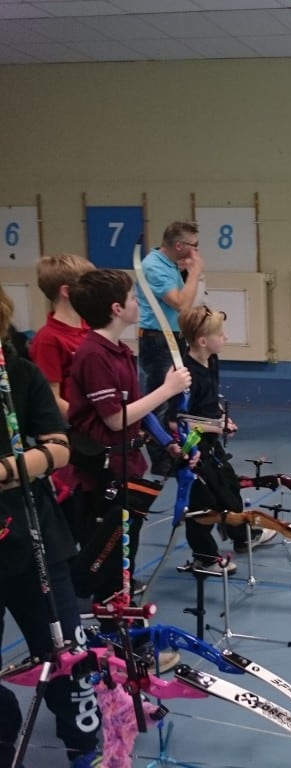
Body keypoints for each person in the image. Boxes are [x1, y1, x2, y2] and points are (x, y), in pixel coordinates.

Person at [0, 286, 103, 768]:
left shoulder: (19, 374)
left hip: (33, 535)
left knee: (66, 656)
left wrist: (8, 469)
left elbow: (60, 448)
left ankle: (84, 748)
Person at [65, 270, 191, 611]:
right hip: (103, 475)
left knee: (126, 552)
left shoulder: (119, 351)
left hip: (129, 467)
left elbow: (137, 410)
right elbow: (115, 418)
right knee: (107, 558)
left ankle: (123, 619)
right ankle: (112, 626)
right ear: (117, 309)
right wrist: (167, 390)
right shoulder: (93, 355)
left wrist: (167, 443)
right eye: (134, 298)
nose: (138, 303)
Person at [176, 305, 277, 574]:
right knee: (202, 503)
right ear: (202, 341)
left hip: (211, 440)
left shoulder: (211, 360)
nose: (226, 338)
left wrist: (222, 418)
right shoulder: (185, 375)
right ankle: (204, 557)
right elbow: (178, 421)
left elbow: (211, 402)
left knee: (229, 487)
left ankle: (242, 537)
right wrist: (215, 426)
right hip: (192, 445)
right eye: (220, 334)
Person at [28, 253, 95, 534]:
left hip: (95, 439)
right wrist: (90, 422)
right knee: (74, 521)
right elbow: (51, 398)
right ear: (67, 292)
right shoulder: (47, 339)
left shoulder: (90, 328)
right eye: (88, 285)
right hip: (74, 440)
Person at [136, 221, 203, 476]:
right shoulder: (154, 266)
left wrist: (186, 273)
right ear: (179, 246)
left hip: (172, 336)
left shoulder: (171, 264)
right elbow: (181, 304)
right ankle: (160, 459)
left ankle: (176, 451)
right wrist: (195, 273)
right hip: (157, 339)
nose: (196, 250)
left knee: (177, 399)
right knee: (158, 401)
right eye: (194, 245)